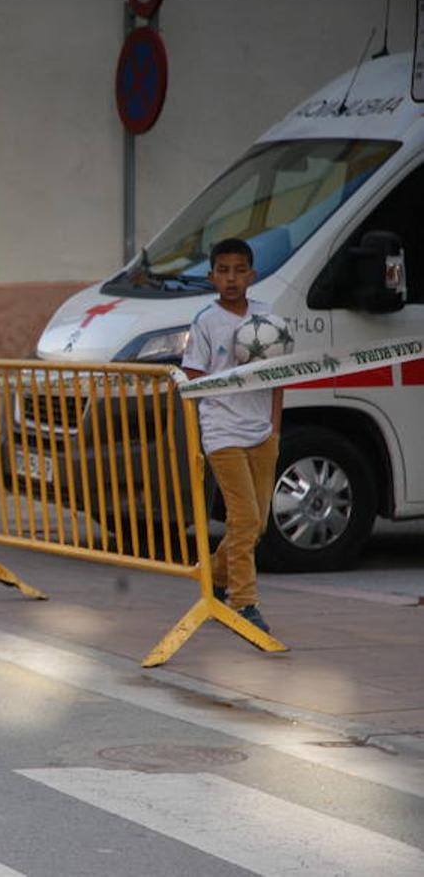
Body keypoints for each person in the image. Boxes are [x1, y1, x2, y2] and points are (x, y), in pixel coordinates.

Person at [181, 237, 282, 633]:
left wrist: (275, 424)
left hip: (262, 432)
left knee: (257, 525)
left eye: (239, 270)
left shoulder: (266, 316)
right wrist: (231, 381)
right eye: (223, 271)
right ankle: (244, 603)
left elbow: (280, 373)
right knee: (243, 519)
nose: (232, 278)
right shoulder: (206, 321)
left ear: (252, 275)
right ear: (211, 277)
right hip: (222, 432)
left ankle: (217, 580)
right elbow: (192, 375)